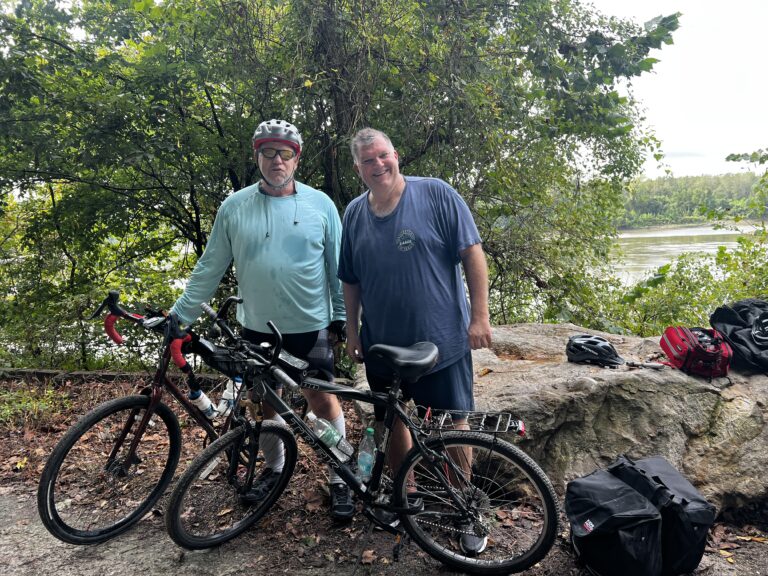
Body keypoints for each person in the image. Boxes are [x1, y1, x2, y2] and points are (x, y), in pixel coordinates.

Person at [170, 119, 354, 520]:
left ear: (296, 159)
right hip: (256, 327)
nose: (277, 160)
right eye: (268, 152)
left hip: (311, 325)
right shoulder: (235, 207)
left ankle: (340, 474)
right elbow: (210, 267)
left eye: (285, 153)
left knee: (322, 400)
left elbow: (338, 266)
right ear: (257, 156)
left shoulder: (320, 204)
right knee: (265, 404)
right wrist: (181, 314)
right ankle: (274, 469)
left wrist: (341, 317)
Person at [337, 127, 493, 552]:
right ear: (358, 168)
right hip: (383, 345)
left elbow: (472, 252)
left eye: (383, 156)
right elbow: (350, 280)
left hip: (441, 343)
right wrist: (352, 330)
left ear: (396, 154)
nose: (377, 165)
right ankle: (404, 495)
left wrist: (479, 316)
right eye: (368, 161)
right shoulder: (353, 213)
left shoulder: (436, 194)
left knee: (455, 423)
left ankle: (465, 507)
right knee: (391, 420)